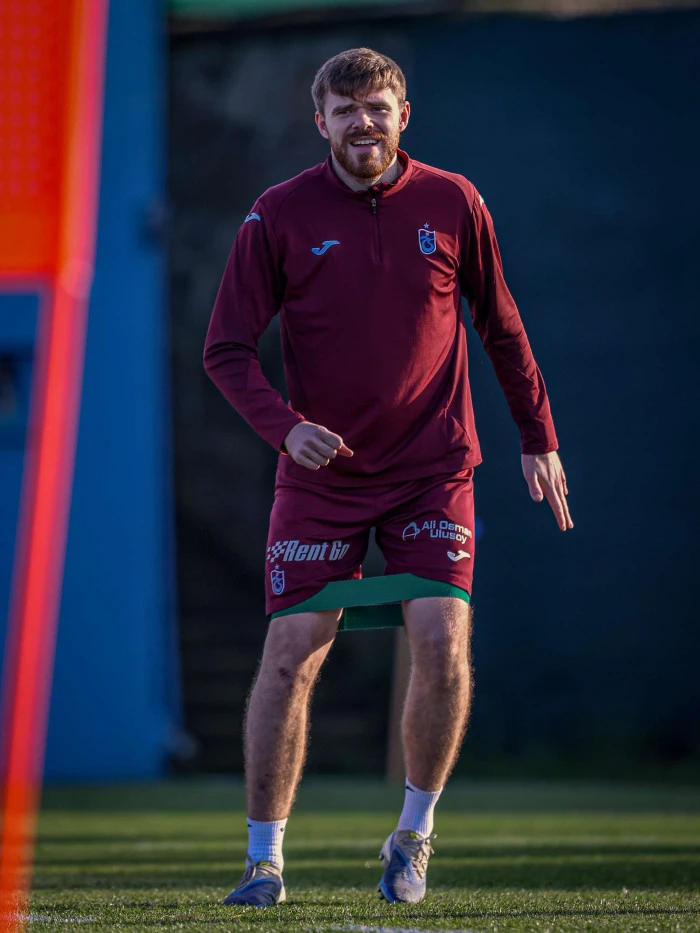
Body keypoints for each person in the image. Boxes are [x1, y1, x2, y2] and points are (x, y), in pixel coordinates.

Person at [204, 46, 573, 907]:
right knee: (291, 653)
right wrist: (286, 428)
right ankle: (263, 861)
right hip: (322, 477)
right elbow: (226, 349)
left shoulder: (454, 200)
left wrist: (539, 436)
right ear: (320, 122)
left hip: (432, 469)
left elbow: (501, 325)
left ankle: (412, 835)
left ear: (404, 116)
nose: (362, 123)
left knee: (442, 641)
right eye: (345, 110)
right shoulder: (278, 213)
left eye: (377, 108)